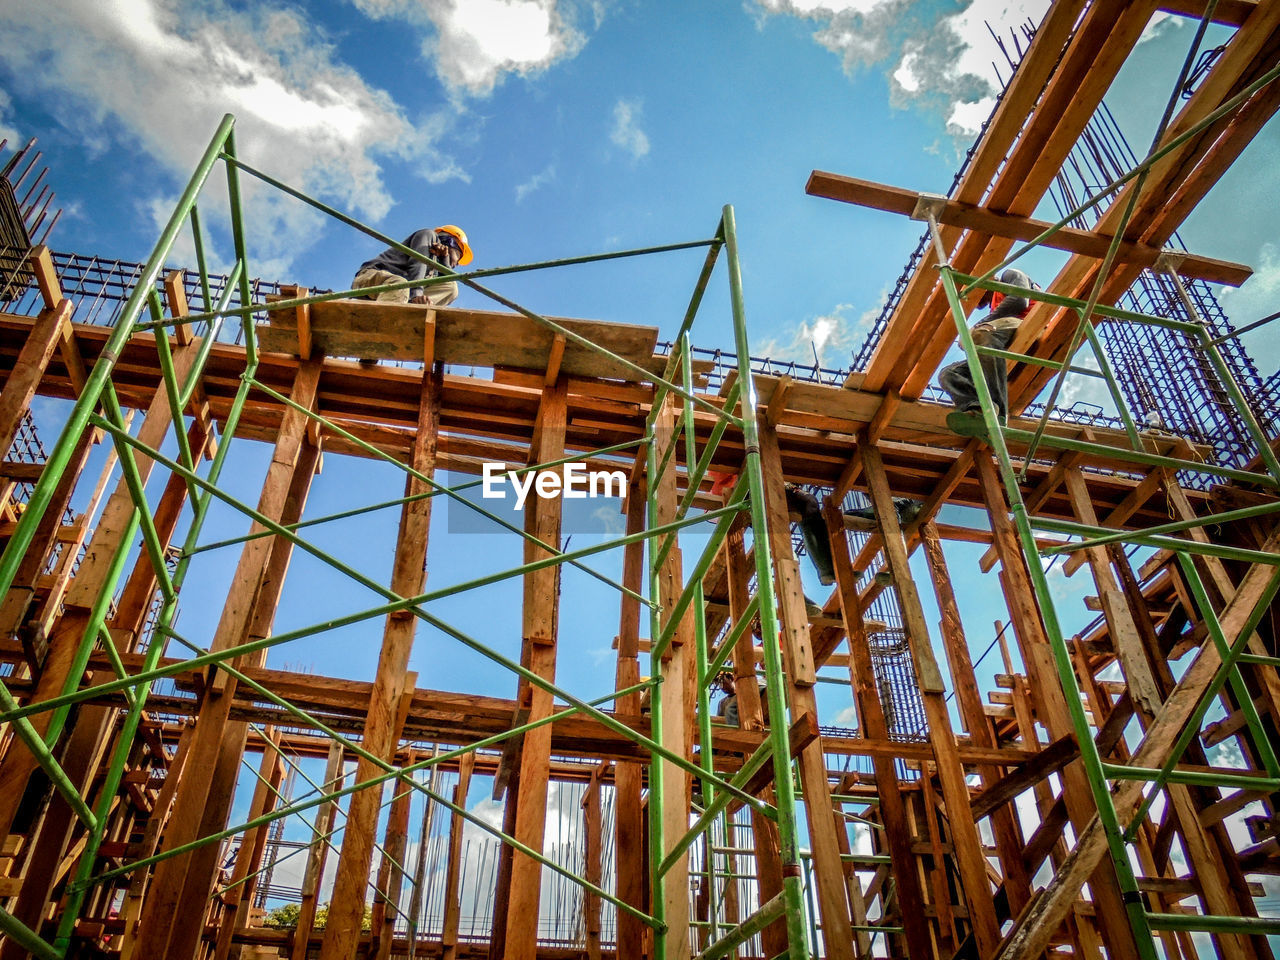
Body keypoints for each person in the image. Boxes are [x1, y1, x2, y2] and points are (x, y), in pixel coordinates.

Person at [937, 267, 1039, 424]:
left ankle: (996, 411)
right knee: (949, 374)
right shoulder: (996, 309)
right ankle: (978, 407)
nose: (976, 302)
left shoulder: (1009, 275)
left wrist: (982, 324)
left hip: (1027, 325)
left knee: (979, 335)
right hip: (1003, 341)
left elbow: (1019, 300)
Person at [351, 224, 472, 307]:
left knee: (451, 288)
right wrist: (417, 294)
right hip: (371, 278)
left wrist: (444, 260)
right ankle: (383, 322)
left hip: (399, 295)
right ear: (450, 243)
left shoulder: (435, 268)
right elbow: (418, 262)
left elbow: (448, 280)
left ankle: (412, 309)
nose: (457, 264)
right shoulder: (428, 236)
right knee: (401, 285)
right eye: (458, 256)